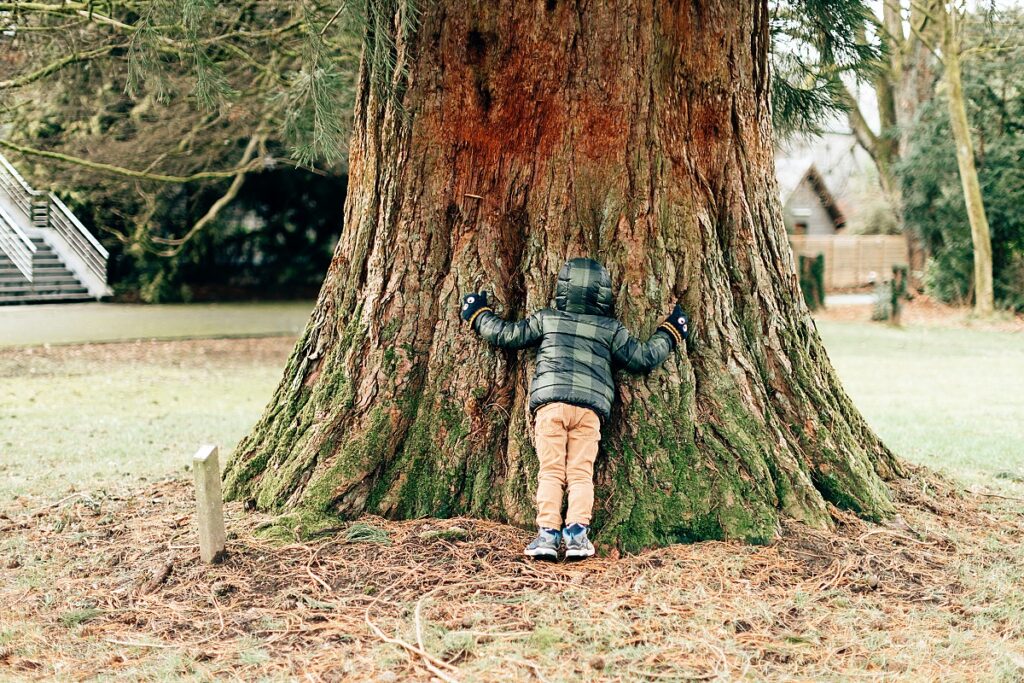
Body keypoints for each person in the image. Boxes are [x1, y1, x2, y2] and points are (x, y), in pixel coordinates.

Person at [460, 257, 690, 561]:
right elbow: (643, 357)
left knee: (551, 472)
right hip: (588, 411)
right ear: (604, 293)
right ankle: (577, 537)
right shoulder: (610, 329)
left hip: (551, 407)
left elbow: (507, 335)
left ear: (563, 289)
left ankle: (547, 535)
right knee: (581, 474)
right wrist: (671, 331)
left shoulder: (547, 318)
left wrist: (478, 314)